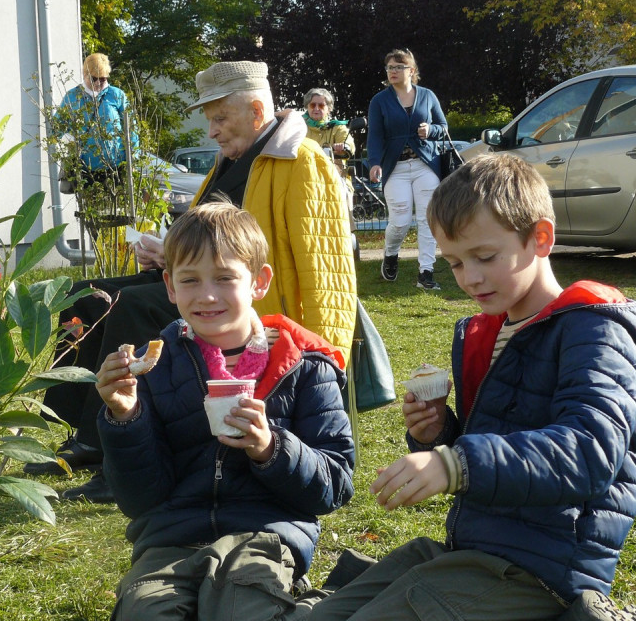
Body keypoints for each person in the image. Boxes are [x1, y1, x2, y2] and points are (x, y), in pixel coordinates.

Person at [308, 154, 636, 621]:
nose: (469, 277)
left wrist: (453, 463)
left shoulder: (596, 329)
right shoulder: (488, 331)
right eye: (455, 261)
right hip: (476, 546)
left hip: (544, 566)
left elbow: (590, 452)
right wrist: (440, 432)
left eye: (485, 256)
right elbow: (501, 436)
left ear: (540, 239)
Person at [28, 60, 356, 504]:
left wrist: (326, 351)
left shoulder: (300, 160)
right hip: (206, 284)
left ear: (257, 111)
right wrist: (168, 251)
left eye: (220, 118)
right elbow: (206, 232)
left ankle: (108, 449)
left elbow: (325, 266)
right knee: (86, 296)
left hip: (246, 303)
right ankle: (78, 430)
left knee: (130, 306)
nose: (212, 131)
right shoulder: (233, 160)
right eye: (210, 119)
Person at [96, 202, 355, 621]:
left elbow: (335, 484)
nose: (207, 295)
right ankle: (190, 620)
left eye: (225, 277)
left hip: (264, 533)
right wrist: (125, 416)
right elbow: (140, 498)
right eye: (190, 280)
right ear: (169, 286)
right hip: (171, 537)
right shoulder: (152, 367)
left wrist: (271, 447)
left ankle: (323, 608)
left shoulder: (305, 365)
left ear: (259, 282)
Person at [366, 48, 448, 289]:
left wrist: (430, 131)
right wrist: (375, 163)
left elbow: (443, 127)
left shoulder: (428, 95)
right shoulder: (379, 100)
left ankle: (426, 273)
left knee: (426, 219)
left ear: (411, 71)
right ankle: (390, 254)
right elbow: (375, 136)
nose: (393, 71)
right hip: (396, 167)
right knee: (400, 220)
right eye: (390, 67)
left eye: (398, 67)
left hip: (425, 165)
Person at [55, 52, 137, 184]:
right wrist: (67, 138)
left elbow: (132, 128)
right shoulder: (72, 97)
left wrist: (133, 158)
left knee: (116, 204)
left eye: (103, 78)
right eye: (94, 78)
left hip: (115, 165)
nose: (99, 82)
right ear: (85, 75)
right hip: (84, 168)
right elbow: (56, 127)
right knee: (89, 204)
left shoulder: (116, 95)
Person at [302, 87, 358, 261]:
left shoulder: (338, 128)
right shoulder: (298, 127)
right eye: (313, 105)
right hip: (305, 177)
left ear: (328, 109)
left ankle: (348, 234)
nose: (317, 108)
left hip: (335, 177)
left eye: (321, 105)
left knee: (341, 193)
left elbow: (349, 145)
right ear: (307, 107)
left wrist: (344, 147)